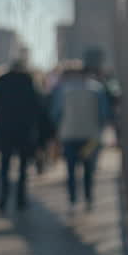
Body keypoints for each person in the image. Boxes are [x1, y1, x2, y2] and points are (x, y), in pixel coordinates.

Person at [49, 55, 114, 211]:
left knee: (71, 170)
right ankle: (88, 198)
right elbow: (104, 114)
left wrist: (59, 129)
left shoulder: (62, 90)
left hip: (69, 135)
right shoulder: (97, 89)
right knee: (88, 168)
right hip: (91, 136)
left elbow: (56, 113)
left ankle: (72, 200)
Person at [0, 56, 45, 212]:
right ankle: (21, 197)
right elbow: (37, 106)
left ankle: (3, 197)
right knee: (22, 166)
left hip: (5, 129)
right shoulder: (29, 82)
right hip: (24, 130)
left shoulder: (1, 82)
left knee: (4, 165)